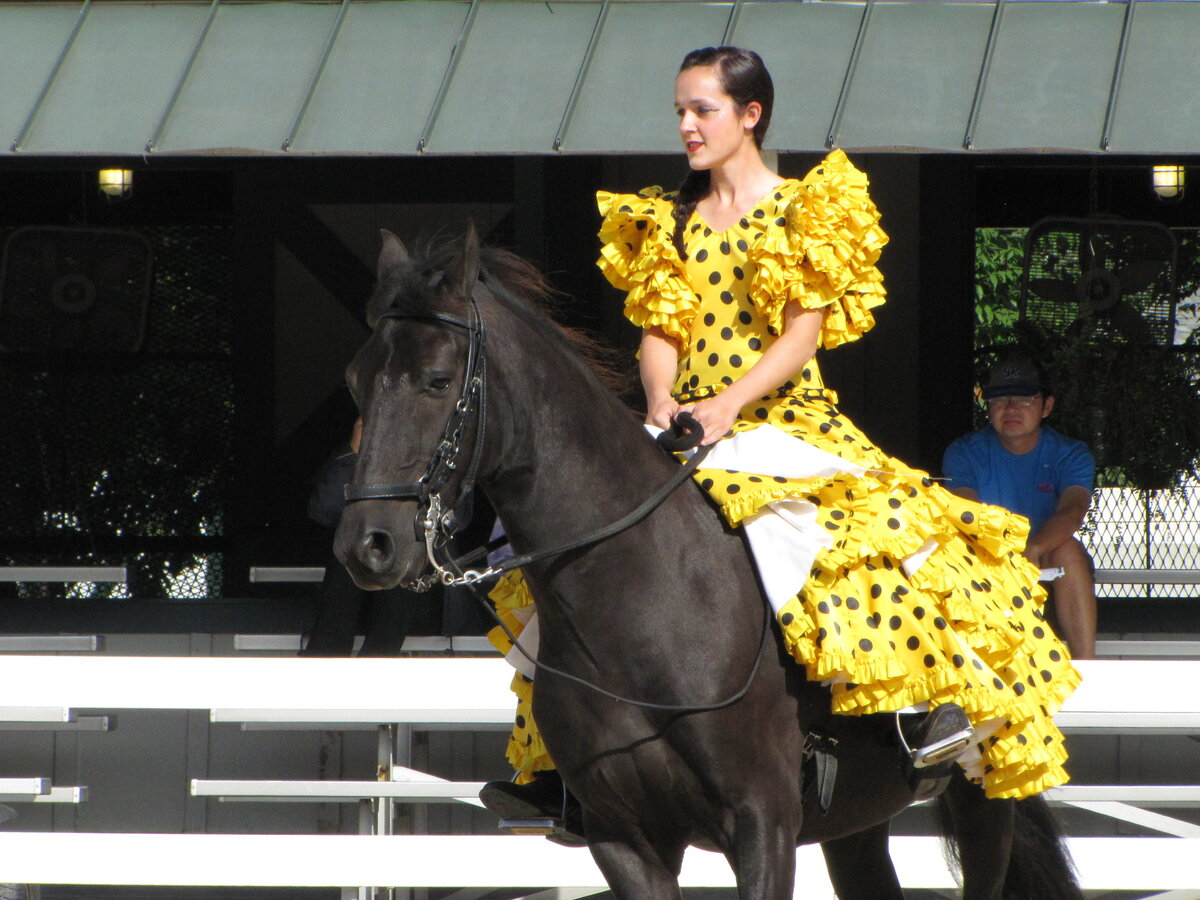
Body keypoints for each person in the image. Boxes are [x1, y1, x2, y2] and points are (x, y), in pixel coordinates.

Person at [480, 46, 1079, 833]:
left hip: (780, 418)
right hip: (682, 421)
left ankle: (918, 718)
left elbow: (802, 336)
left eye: (703, 110)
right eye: (681, 113)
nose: (687, 126)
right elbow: (660, 327)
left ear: (750, 115)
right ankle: (564, 767)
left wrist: (729, 403)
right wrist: (661, 397)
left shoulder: (806, 209)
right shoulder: (667, 218)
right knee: (563, 558)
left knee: (871, 543)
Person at [943, 355, 1098, 660]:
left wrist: (1035, 549)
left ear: (1047, 406)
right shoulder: (963, 452)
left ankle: (1086, 668)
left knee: (1068, 550)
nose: (1011, 408)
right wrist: (1009, 557)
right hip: (987, 559)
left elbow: (1073, 511)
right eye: (999, 399)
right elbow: (967, 515)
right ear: (988, 407)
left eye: (1025, 399)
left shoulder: (1070, 453)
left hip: (1048, 562)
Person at [300, 418, 443, 656]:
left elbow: (459, 517)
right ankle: (327, 660)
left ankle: (377, 660)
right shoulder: (360, 454)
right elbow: (323, 511)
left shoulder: (438, 451)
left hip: (411, 578)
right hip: (354, 583)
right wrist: (354, 451)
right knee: (348, 550)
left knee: (404, 551)